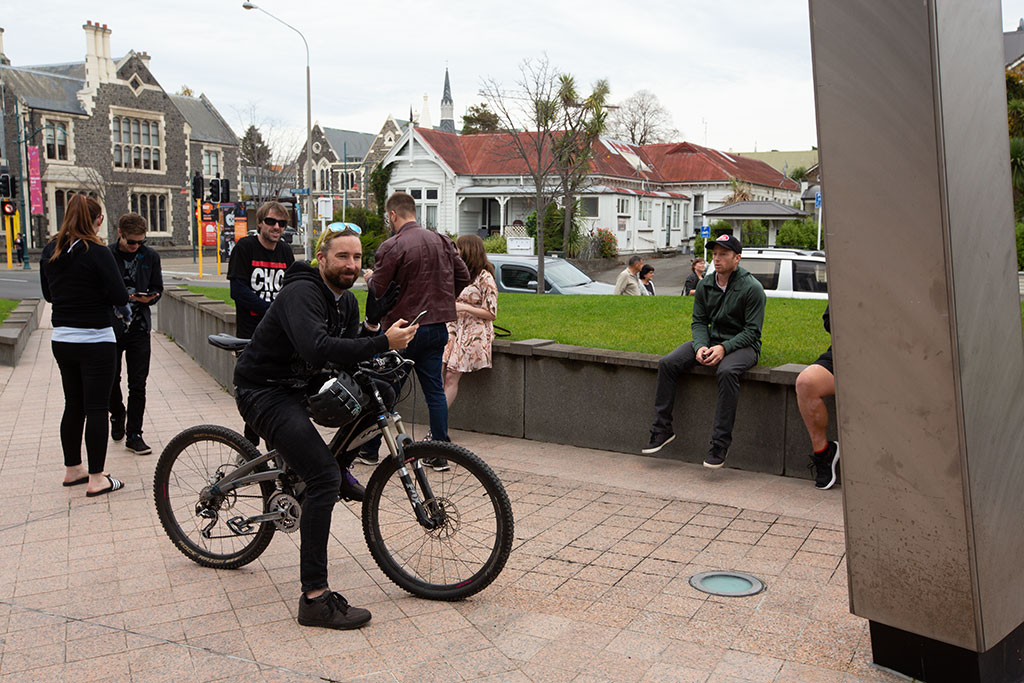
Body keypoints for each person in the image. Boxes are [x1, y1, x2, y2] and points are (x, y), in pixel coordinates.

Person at [233, 225, 417, 630]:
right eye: (342, 257)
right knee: (320, 479)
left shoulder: (347, 302)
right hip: (265, 389)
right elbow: (317, 347)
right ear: (322, 259)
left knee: (377, 392)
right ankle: (315, 598)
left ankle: (340, 466)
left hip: (303, 382)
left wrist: (380, 362)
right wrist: (383, 342)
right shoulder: (302, 293)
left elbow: (344, 356)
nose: (351, 265)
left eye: (356, 258)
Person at [360, 192, 470, 471]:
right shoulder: (443, 241)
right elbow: (464, 277)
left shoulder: (392, 245)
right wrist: (442, 299)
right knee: (434, 389)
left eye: (388, 216)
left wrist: (370, 278)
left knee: (386, 390)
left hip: (403, 330)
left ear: (393, 214)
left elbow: (379, 290)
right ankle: (441, 453)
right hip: (436, 327)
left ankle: (371, 449)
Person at [643, 234, 766, 468]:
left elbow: (752, 331)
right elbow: (699, 322)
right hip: (711, 341)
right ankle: (662, 429)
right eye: (715, 254)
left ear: (737, 258)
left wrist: (724, 347)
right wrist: (700, 346)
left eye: (723, 254)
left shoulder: (752, 288)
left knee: (727, 372)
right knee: (668, 363)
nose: (717, 259)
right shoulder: (704, 284)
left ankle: (720, 444)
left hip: (744, 346)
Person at [40, 194, 129, 497]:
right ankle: (97, 478)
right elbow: (120, 296)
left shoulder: (51, 250)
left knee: (73, 404)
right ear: (98, 220)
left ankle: (72, 468)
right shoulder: (98, 251)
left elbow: (49, 295)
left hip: (62, 338)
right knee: (96, 408)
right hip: (95, 339)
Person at [228, 200, 295, 448]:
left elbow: (291, 287)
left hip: (279, 336)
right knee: (253, 390)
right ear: (260, 223)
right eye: (271, 221)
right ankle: (249, 444)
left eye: (282, 223)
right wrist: (271, 311)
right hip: (250, 335)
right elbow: (238, 290)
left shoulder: (286, 251)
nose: (276, 227)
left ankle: (263, 444)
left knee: (272, 392)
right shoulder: (245, 247)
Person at [107, 213, 163, 455]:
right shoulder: (107, 256)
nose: (136, 246)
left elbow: (157, 287)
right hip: (111, 327)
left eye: (141, 241)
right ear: (120, 233)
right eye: (132, 242)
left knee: (138, 383)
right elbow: (102, 291)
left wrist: (151, 296)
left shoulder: (150, 256)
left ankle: (134, 433)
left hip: (140, 327)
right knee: (111, 380)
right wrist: (129, 297)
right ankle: (117, 414)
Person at [443, 234, 498, 408]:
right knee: (437, 369)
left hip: (474, 329)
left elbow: (491, 312)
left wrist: (464, 308)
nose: (456, 252)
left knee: (452, 375)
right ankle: (437, 417)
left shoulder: (484, 278)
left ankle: (436, 426)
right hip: (453, 326)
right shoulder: (457, 274)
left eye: (458, 248)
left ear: (468, 250)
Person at [795, 305, 839, 489]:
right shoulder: (849, 281)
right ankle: (824, 453)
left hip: (896, 354)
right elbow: (829, 321)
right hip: (845, 351)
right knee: (806, 382)